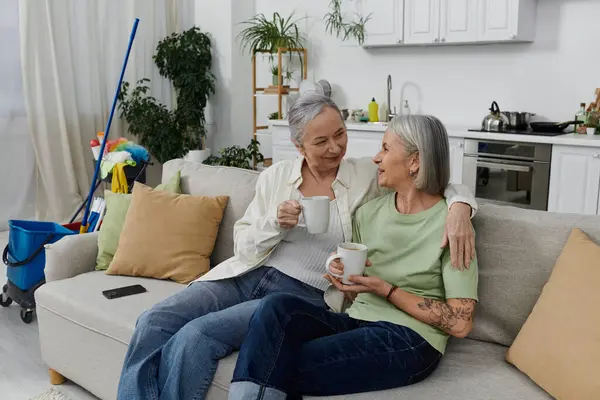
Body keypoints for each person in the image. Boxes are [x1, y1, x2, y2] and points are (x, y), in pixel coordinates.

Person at [116, 95, 477, 400]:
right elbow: (242, 247)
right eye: (321, 142)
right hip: (247, 274)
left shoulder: (367, 176)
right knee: (154, 320)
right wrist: (274, 222)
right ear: (299, 145)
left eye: (340, 134)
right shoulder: (276, 177)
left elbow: (431, 175)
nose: (335, 147)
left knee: (197, 335)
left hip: (303, 292)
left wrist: (462, 206)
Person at [228, 115, 479, 399]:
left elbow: (460, 323)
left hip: (410, 338)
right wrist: (337, 269)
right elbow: (351, 275)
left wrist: (386, 289)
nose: (376, 158)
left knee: (278, 360)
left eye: (385, 149)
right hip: (356, 320)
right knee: (277, 307)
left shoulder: (453, 227)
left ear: (414, 161)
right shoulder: (368, 213)